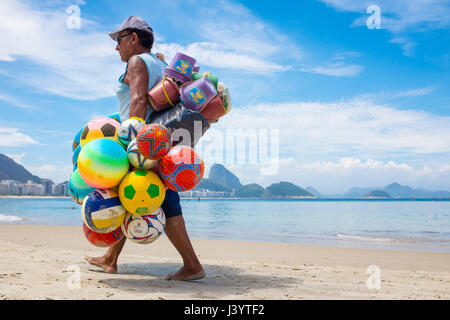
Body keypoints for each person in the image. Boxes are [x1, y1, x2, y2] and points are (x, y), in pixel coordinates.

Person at [85, 16, 205, 281]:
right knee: (130, 196)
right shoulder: (162, 65)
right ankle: (110, 259)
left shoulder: (137, 61)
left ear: (133, 38)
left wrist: (131, 143)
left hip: (144, 142)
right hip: (162, 141)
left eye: (119, 40)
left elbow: (139, 100)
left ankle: (193, 265)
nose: (117, 47)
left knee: (162, 200)